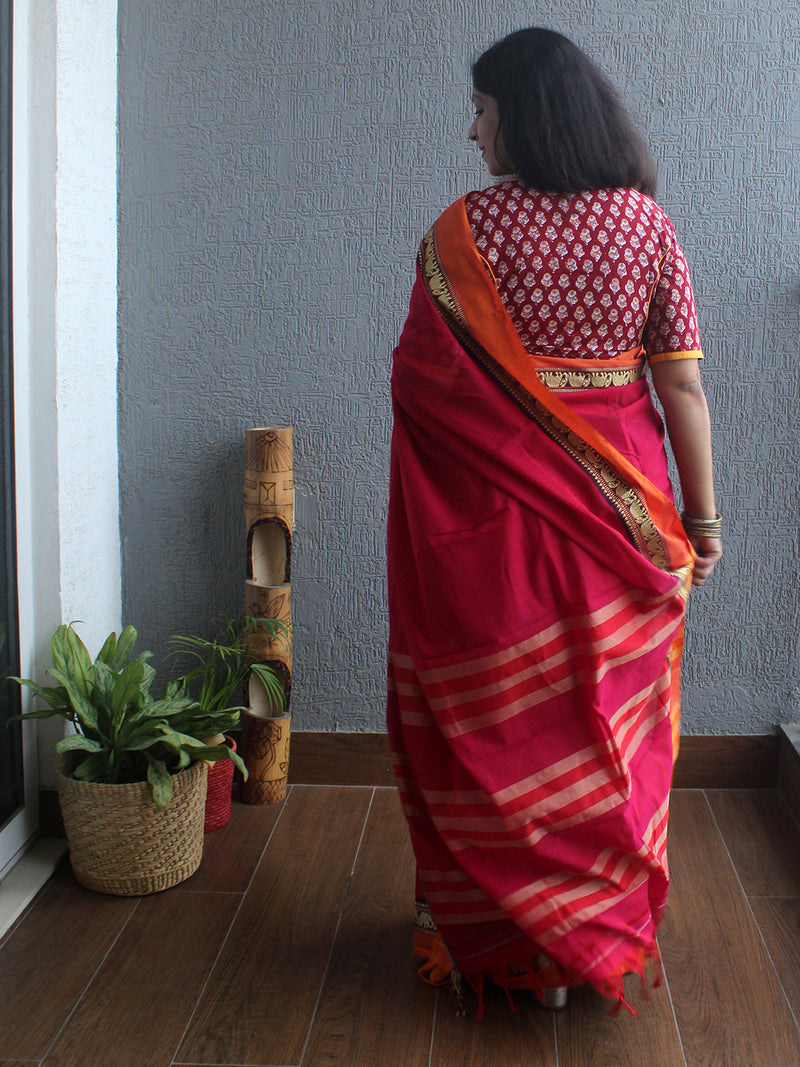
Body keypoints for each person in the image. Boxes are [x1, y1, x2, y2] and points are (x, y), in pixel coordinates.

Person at [386, 27, 722, 1018]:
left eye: (482, 111)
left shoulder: (464, 233)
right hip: (623, 521)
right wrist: (699, 522)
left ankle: (500, 948)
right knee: (601, 728)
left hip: (488, 530)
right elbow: (682, 392)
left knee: (501, 731)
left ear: (523, 116)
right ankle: (588, 946)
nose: (474, 131)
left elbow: (419, 387)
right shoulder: (645, 227)